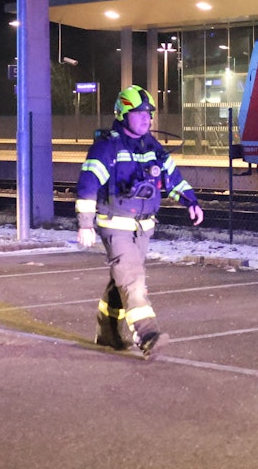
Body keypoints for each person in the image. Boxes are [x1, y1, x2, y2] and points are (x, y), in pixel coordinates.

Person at [75, 85, 204, 358]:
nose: (147, 118)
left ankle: (108, 333)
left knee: (120, 281)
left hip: (144, 228)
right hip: (116, 226)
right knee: (133, 281)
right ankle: (147, 334)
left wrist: (191, 202)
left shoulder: (153, 147)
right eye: (140, 113)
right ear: (123, 115)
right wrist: (85, 223)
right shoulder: (107, 147)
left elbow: (173, 178)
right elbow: (88, 184)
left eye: (149, 113)